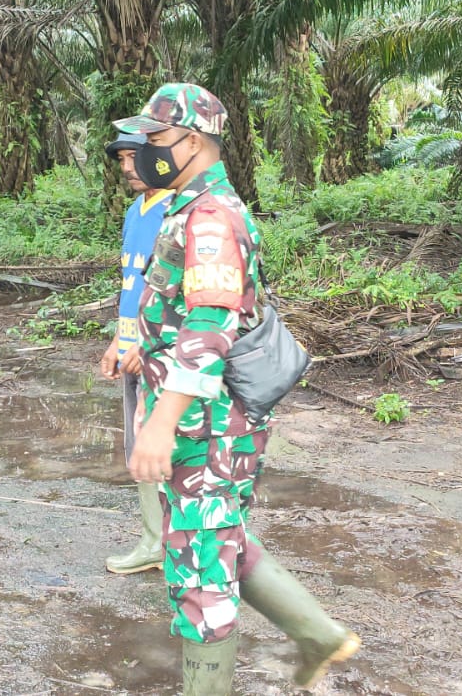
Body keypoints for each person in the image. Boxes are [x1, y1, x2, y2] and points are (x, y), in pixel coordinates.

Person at [117, 83, 360, 695]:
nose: (144, 150)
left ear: (191, 142)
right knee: (216, 535)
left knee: (201, 572)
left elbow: (209, 327)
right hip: (204, 419)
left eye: (154, 139)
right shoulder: (187, 206)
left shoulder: (211, 219)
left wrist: (161, 421)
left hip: (207, 422)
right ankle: (319, 636)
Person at [100, 133, 174, 575]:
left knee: (165, 445)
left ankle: (168, 543)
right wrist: (119, 340)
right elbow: (134, 283)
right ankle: (155, 540)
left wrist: (146, 346)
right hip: (134, 345)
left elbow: (178, 294)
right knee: (138, 444)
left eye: (134, 157)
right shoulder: (136, 210)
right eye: (122, 159)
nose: (127, 167)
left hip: (163, 352)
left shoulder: (178, 213)